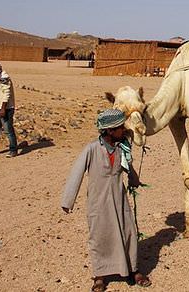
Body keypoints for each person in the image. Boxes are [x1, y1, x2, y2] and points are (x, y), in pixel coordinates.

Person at [61, 109, 151, 292]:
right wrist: (67, 201)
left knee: (129, 232)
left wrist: (134, 179)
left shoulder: (122, 148)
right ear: (109, 131)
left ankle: (133, 270)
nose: (124, 131)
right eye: (120, 128)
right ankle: (99, 276)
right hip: (98, 204)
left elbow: (128, 167)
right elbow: (76, 174)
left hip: (120, 200)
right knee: (99, 237)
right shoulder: (92, 149)